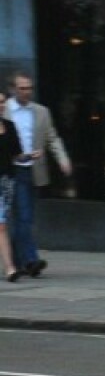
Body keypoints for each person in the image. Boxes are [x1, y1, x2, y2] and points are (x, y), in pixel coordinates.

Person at [5, 72, 73, 278]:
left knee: (24, 218)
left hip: (32, 170)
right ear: (13, 89)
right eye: (22, 88)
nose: (27, 92)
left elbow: (52, 138)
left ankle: (18, 262)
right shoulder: (3, 109)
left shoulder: (42, 112)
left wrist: (62, 159)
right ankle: (31, 259)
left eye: (30, 88)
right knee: (23, 216)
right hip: (10, 169)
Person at [0, 111, 22, 282]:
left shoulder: (9, 126)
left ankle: (9, 267)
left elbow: (16, 153)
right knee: (1, 225)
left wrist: (29, 156)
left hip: (6, 181)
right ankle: (10, 267)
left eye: (2, 102)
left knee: (2, 224)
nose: (1, 105)